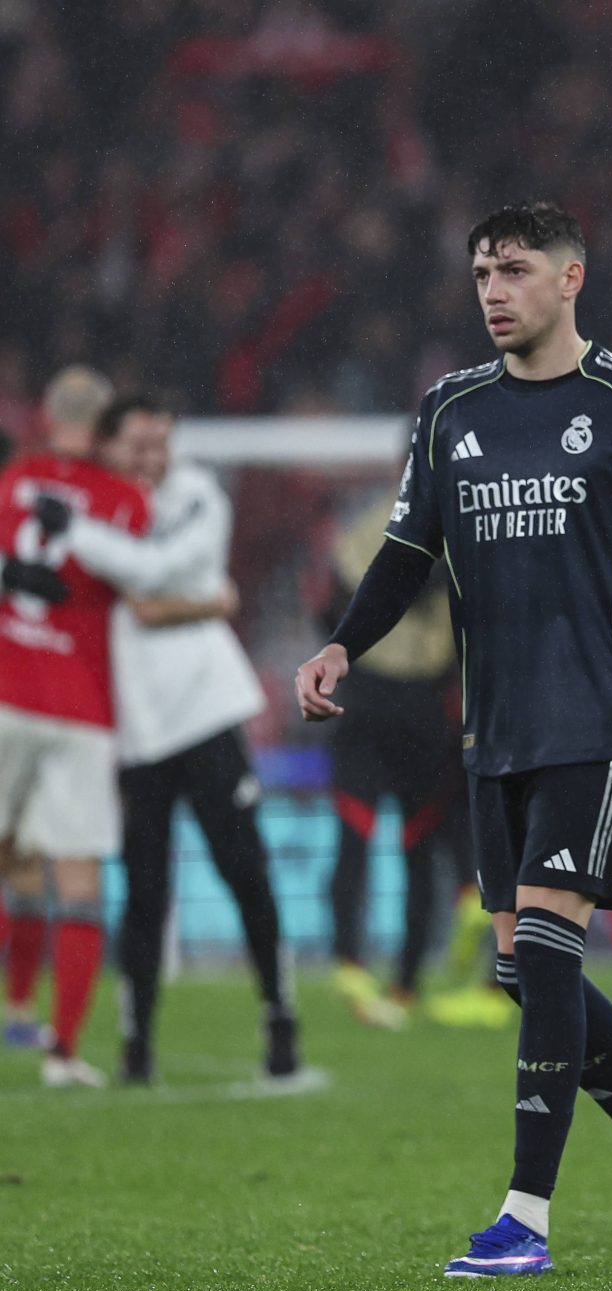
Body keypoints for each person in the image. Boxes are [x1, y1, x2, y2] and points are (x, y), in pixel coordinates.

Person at [294, 201, 612, 1276]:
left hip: (596, 719)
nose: (492, 290)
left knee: (547, 952)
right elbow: (407, 552)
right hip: (491, 725)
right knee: (522, 973)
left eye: (512, 270)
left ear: (570, 277)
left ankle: (524, 1219)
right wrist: (342, 647)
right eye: (480, 274)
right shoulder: (451, 409)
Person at [53, 395, 303, 1085]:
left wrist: (93, 549)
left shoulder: (196, 493)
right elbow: (143, 588)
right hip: (136, 726)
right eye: (138, 444)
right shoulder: (94, 502)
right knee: (144, 889)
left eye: (160, 442)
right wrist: (205, 599)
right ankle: (136, 1043)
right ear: (106, 446)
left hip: (208, 708)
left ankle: (281, 1017)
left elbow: (153, 576)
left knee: (245, 871)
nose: (152, 457)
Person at [0, 365, 140, 1086]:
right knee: (77, 882)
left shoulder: (14, 477)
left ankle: (18, 1004)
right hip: (81, 705)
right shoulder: (122, 499)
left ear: (47, 416)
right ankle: (61, 1052)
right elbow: (142, 589)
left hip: (5, 687)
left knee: (14, 861)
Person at [320, 485, 463, 1029]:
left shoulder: (468, 519)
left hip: (428, 706)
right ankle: (349, 963)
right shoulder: (373, 521)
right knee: (356, 836)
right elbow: (358, 584)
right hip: (369, 696)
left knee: (420, 847)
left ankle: (406, 981)